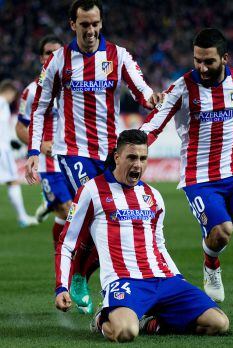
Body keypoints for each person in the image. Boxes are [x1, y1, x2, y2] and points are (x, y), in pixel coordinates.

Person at [140, 28, 233, 325]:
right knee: (222, 230)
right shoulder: (182, 88)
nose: (202, 67)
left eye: (209, 61)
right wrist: (132, 145)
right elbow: (154, 124)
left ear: (224, 58)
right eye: (197, 60)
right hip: (200, 178)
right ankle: (211, 262)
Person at [25, 0, 163, 313]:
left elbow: (141, 91)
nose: (91, 30)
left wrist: (153, 97)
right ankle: (74, 277)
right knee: (97, 210)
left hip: (112, 152)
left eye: (96, 24)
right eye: (85, 24)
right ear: (72, 25)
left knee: (115, 216)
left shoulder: (118, 55)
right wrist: (34, 150)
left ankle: (80, 276)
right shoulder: (59, 60)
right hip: (74, 151)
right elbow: (41, 107)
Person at [55, 129, 229, 342]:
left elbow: (159, 245)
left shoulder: (153, 196)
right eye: (132, 157)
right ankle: (102, 317)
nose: (138, 164)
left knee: (218, 323)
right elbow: (67, 243)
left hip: (164, 279)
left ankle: (150, 323)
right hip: (125, 280)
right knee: (125, 332)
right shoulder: (91, 191)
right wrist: (61, 287)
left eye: (143, 158)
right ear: (117, 157)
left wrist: (177, 277)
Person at [16, 35, 73, 250]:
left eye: (58, 52)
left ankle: (49, 203)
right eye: (49, 53)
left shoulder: (75, 88)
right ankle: (64, 258)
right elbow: (20, 127)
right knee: (69, 212)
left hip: (73, 158)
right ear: (41, 58)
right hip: (50, 163)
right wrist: (39, 146)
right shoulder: (31, 91)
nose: (53, 57)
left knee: (77, 211)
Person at [0, 80, 38, 227]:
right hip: (3, 150)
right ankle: (22, 217)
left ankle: (22, 216)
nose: (12, 100)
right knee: (13, 181)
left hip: (4, 145)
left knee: (12, 181)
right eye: (13, 96)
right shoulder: (2, 103)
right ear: (9, 92)